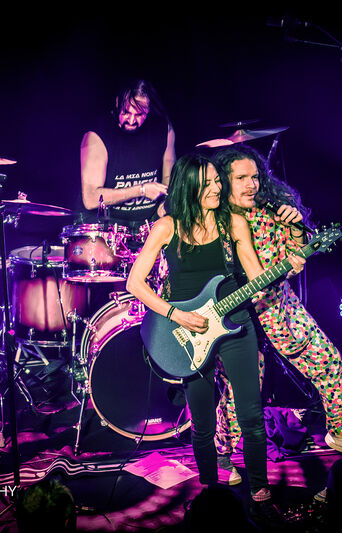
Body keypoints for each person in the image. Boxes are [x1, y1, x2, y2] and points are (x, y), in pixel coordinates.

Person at [125, 153, 301, 528]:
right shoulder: (167, 227)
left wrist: (281, 269)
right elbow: (134, 283)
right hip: (188, 330)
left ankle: (260, 496)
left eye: (218, 181)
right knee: (202, 423)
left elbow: (255, 274)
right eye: (208, 183)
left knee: (251, 416)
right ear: (189, 187)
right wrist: (176, 315)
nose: (218, 187)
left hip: (236, 321)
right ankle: (210, 495)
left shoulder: (232, 221)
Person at [210, 145, 342, 485]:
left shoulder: (274, 208)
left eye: (255, 177)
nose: (251, 185)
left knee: (329, 361)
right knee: (239, 391)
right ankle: (221, 453)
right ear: (223, 181)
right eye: (241, 178)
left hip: (277, 306)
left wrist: (297, 230)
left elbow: (294, 261)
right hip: (232, 316)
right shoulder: (211, 216)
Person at [78, 78, 176, 232]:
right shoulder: (97, 135)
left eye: (139, 114)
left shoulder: (164, 129)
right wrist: (141, 190)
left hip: (147, 225)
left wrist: (165, 203)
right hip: (106, 227)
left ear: (149, 109)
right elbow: (90, 199)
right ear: (118, 102)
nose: (131, 120)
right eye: (126, 112)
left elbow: (169, 177)